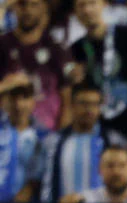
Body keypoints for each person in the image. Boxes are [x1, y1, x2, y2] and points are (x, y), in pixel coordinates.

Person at [69, 0, 127, 139]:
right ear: (75, 12)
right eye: (81, 5)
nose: (87, 10)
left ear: (104, 4)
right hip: (97, 130)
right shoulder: (76, 49)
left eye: (92, 3)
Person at [0, 0, 74, 132]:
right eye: (22, 4)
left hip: (46, 135)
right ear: (15, 7)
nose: (27, 10)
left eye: (34, 4)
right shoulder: (2, 45)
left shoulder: (57, 49)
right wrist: (6, 85)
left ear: (45, 8)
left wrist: (60, 137)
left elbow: (67, 102)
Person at [0, 76, 45, 201]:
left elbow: (39, 174)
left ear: (33, 101)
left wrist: (29, 190)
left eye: (24, 98)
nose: (18, 105)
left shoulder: (42, 136)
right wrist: (4, 86)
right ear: (3, 101)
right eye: (13, 98)